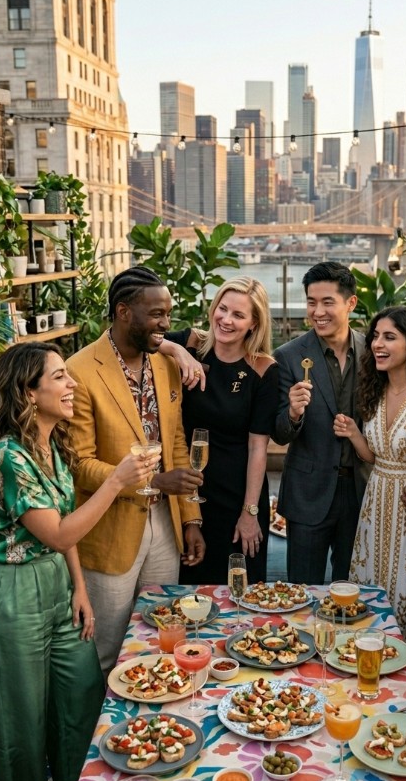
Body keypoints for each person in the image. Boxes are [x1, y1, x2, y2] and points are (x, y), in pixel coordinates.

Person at [0, 343, 156, 781]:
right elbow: (58, 531)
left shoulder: (52, 445)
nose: (71, 385)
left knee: (82, 695)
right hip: (13, 591)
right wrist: (117, 481)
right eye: (59, 377)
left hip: (60, 583)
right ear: (27, 392)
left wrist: (80, 589)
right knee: (21, 722)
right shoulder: (5, 456)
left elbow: (66, 533)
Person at [67, 266, 205, 675]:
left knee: (162, 638)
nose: (166, 324)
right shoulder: (80, 370)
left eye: (168, 314)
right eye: (157, 314)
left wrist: (191, 516)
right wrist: (153, 479)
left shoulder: (163, 364)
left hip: (165, 524)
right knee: (107, 651)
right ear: (124, 312)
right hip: (109, 530)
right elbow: (80, 464)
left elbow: (176, 441)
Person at [160, 276, 279, 583]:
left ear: (254, 323)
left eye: (238, 315)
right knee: (189, 584)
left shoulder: (263, 369)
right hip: (187, 486)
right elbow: (141, 337)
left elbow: (257, 448)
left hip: (238, 492)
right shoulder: (190, 343)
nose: (226, 320)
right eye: (222, 309)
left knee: (241, 587)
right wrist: (178, 352)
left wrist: (250, 512)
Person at [335, 307, 406, 645]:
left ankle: (401, 661)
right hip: (375, 502)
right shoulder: (374, 390)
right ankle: (363, 651)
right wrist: (353, 434)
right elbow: (374, 456)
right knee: (371, 578)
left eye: (389, 337)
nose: (377, 343)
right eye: (376, 336)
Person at [273, 262, 367, 584]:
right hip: (308, 492)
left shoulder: (373, 353)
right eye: (312, 302)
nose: (318, 311)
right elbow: (279, 433)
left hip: (359, 492)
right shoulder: (288, 355)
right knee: (302, 588)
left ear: (350, 303)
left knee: (350, 590)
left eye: (328, 302)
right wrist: (293, 415)